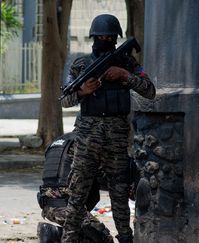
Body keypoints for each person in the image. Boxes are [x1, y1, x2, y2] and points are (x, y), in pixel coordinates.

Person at [60, 14, 156, 243]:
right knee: (77, 194)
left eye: (109, 36)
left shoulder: (128, 63)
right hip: (86, 140)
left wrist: (125, 76)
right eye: (100, 36)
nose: (104, 39)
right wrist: (83, 91)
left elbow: (150, 90)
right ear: (93, 37)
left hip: (116, 140)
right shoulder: (80, 66)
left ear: (115, 38)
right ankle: (68, 239)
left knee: (120, 194)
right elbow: (64, 100)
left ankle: (125, 238)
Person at [37, 132, 114, 243]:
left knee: (77, 231)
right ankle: (56, 234)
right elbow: (104, 176)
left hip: (47, 206)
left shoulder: (57, 142)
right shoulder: (86, 143)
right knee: (103, 238)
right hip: (68, 208)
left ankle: (52, 233)